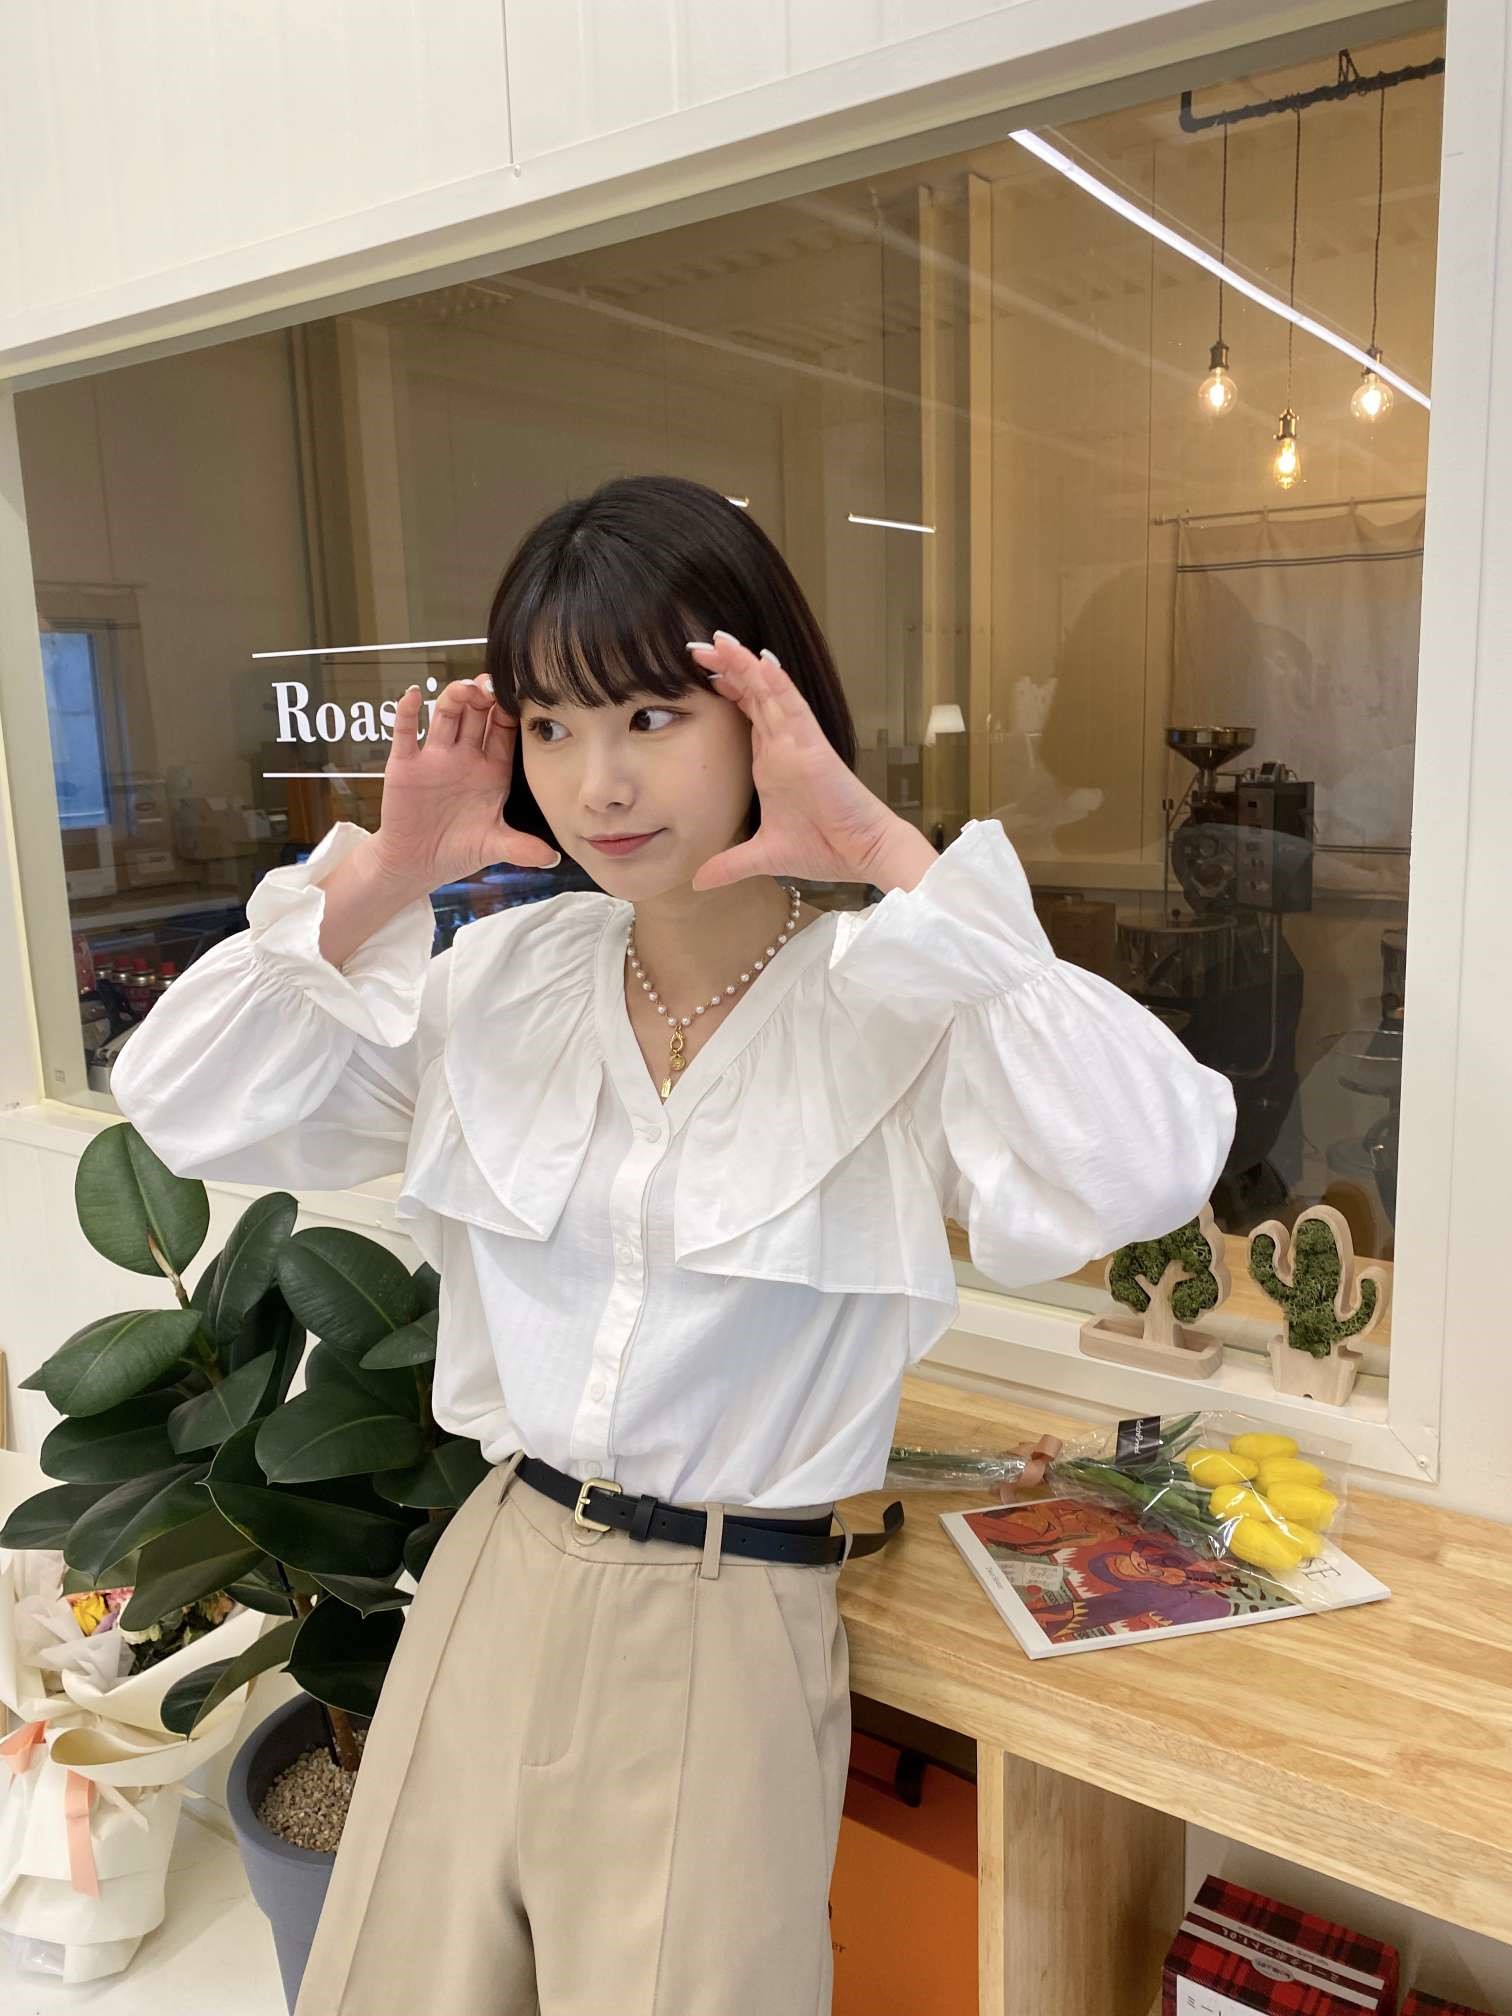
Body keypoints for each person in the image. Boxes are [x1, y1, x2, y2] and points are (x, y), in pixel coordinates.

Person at [109, 473, 1237, 2014]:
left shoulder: (891, 997)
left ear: (763, 711)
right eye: (554, 725)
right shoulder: (500, 980)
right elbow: (182, 1101)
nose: (600, 781)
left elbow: (1150, 1158)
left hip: (731, 1617)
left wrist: (889, 852)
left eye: (651, 715)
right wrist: (387, 867)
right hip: (496, 1566)